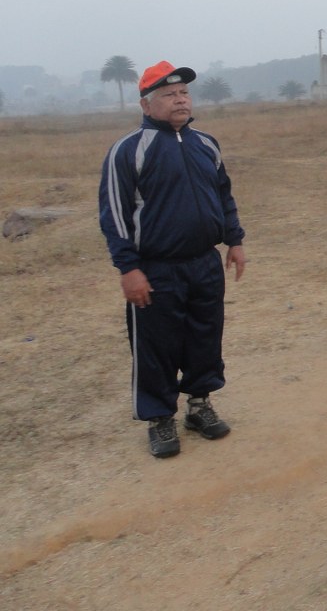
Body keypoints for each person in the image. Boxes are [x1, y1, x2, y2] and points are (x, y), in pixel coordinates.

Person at [99, 61, 247, 459]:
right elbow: (114, 216)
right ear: (147, 105)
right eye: (169, 95)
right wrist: (128, 268)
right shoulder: (128, 151)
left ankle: (199, 405)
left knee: (205, 335)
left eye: (184, 93)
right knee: (156, 345)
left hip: (204, 263)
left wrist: (234, 240)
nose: (180, 100)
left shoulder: (206, 144)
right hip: (155, 269)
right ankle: (160, 418)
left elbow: (223, 196)